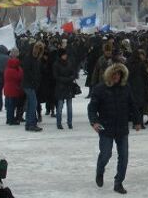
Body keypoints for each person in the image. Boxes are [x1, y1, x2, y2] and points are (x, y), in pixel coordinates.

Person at [87, 63, 141, 195]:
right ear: (109, 75)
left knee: (124, 156)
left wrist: (137, 120)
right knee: (106, 154)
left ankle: (119, 182)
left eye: (119, 74)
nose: (117, 77)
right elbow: (92, 107)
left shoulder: (126, 88)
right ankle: (100, 171)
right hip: (106, 127)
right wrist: (94, 122)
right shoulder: (100, 89)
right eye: (114, 74)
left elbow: (132, 105)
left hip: (122, 128)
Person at [21, 42, 44, 132]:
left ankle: (29, 124)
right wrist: (34, 79)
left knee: (31, 104)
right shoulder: (29, 59)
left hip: (31, 84)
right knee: (33, 104)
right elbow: (27, 72)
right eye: (37, 49)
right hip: (28, 84)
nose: (38, 51)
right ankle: (31, 123)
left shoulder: (36, 59)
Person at [53, 48, 76, 129]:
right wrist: (66, 79)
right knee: (59, 107)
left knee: (70, 107)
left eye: (66, 54)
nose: (65, 56)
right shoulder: (56, 64)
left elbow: (74, 73)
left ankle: (69, 122)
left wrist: (70, 78)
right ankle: (59, 123)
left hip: (68, 86)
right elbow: (56, 76)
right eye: (64, 54)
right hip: (60, 87)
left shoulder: (69, 62)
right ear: (60, 55)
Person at [3, 57, 23, 125]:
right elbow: (19, 77)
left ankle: (8, 119)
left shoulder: (7, 69)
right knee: (12, 106)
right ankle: (11, 120)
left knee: (9, 106)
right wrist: (20, 69)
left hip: (7, 90)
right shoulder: (14, 71)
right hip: (13, 90)